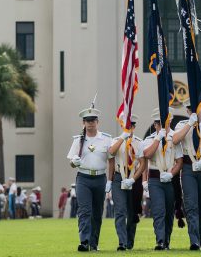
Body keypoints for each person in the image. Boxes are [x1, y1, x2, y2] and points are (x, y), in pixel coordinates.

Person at [172, 101, 201, 251]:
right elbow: (175, 140)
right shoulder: (181, 125)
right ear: (187, 110)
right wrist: (190, 124)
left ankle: (200, 238)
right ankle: (194, 241)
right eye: (191, 109)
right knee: (191, 204)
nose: (194, 111)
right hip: (188, 167)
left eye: (196, 108)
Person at [67, 105, 113, 252]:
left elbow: (111, 161)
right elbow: (71, 162)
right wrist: (74, 162)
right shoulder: (78, 140)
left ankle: (94, 243)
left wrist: (110, 181)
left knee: (97, 212)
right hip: (83, 178)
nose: (90, 123)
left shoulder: (106, 139)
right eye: (87, 120)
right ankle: (84, 241)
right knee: (84, 210)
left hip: (100, 178)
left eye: (93, 120)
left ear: (97, 122)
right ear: (83, 123)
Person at [144, 108, 182, 251]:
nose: (161, 125)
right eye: (158, 123)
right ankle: (160, 241)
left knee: (168, 211)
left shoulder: (175, 138)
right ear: (154, 125)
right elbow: (147, 155)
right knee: (159, 210)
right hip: (155, 178)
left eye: (164, 123)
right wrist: (157, 139)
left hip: (170, 178)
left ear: (169, 122)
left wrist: (171, 174)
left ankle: (167, 240)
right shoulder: (150, 139)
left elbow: (179, 161)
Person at [109, 114, 145, 250]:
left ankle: (129, 241)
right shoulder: (115, 141)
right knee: (120, 210)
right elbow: (111, 153)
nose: (129, 128)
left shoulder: (139, 142)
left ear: (134, 127)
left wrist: (133, 179)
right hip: (119, 177)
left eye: (131, 126)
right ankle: (122, 242)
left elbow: (142, 164)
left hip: (133, 178)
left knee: (132, 211)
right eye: (126, 126)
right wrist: (122, 138)